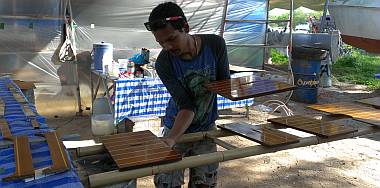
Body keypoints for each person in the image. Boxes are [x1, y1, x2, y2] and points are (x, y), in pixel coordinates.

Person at [144, 2, 230, 188]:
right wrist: (171, 140)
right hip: (175, 127)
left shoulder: (215, 45)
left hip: (206, 129)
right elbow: (186, 105)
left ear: (186, 28)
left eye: (172, 39)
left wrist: (222, 87)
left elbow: (226, 84)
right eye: (161, 42)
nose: (167, 46)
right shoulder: (164, 63)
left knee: (204, 184)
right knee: (167, 184)